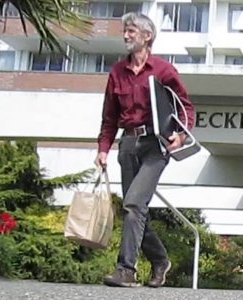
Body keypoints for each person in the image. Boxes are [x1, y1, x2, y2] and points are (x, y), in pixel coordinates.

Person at [95, 12, 195, 288]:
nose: (125, 35)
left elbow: (186, 107)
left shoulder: (163, 70)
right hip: (127, 145)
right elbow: (109, 117)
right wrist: (103, 148)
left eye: (130, 31)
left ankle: (125, 269)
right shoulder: (116, 72)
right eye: (124, 31)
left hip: (155, 146)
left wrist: (182, 136)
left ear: (147, 36)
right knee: (134, 208)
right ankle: (160, 260)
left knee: (134, 204)